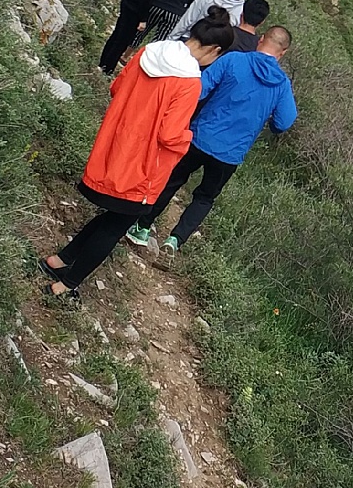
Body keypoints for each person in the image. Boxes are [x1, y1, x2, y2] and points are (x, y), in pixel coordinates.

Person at [40, 22, 226, 303]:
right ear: (215, 50)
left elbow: (117, 87)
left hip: (117, 146)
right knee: (118, 224)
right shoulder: (189, 82)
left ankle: (60, 260)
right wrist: (188, 137)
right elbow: (170, 134)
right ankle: (65, 286)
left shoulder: (149, 52)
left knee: (113, 215)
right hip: (146, 165)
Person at [130, 26, 296, 253]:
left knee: (172, 180)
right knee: (205, 198)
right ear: (283, 52)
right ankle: (175, 241)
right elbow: (284, 122)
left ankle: (142, 227)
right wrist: (268, 122)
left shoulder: (234, 60)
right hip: (231, 153)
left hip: (201, 136)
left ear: (261, 39)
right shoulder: (282, 85)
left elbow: (200, 88)